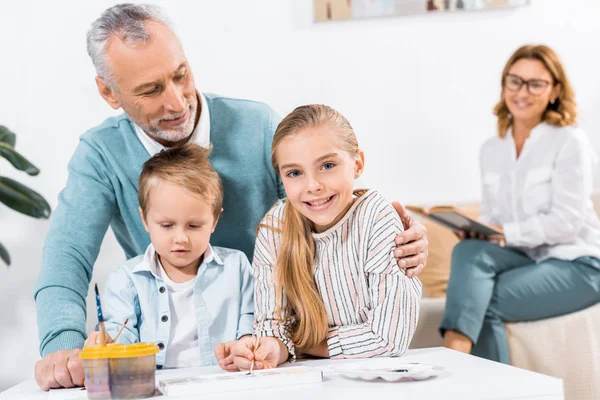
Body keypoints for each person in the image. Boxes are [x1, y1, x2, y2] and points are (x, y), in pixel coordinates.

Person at [34, 4, 428, 390]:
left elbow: (321, 210)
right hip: (172, 359)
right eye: (151, 90)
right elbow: (66, 258)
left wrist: (395, 241)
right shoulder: (100, 153)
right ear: (109, 92)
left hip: (265, 348)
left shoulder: (256, 126)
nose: (176, 102)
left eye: (180, 75)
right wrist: (62, 348)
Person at [216, 105, 423, 371]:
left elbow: (388, 339)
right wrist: (269, 349)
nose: (313, 185)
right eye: (294, 173)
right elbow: (271, 326)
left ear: (357, 164)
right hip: (310, 380)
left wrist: (294, 344)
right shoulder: (275, 227)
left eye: (327, 165)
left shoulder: (376, 217)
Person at [440, 44, 600, 363]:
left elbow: (567, 221)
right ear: (504, 85)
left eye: (535, 83)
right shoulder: (491, 149)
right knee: (467, 250)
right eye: (515, 81)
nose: (522, 92)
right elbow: (491, 214)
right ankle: (459, 370)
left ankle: (455, 362)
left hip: (578, 264)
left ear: (554, 90)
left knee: (480, 300)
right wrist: (479, 230)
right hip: (524, 258)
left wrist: (503, 233)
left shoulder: (569, 140)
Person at [84, 144, 253, 369]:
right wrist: (106, 343)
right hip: (153, 387)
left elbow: (250, 323)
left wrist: (246, 346)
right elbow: (120, 334)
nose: (180, 238)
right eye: (167, 225)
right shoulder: (126, 279)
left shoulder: (237, 267)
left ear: (214, 220)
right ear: (145, 220)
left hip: (222, 383)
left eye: (193, 225)